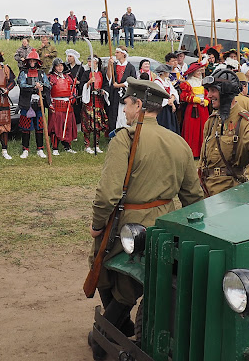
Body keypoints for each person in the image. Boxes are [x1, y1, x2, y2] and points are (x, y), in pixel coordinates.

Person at [88, 77, 203, 360]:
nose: (125, 110)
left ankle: (104, 336)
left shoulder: (126, 138)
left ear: (139, 104)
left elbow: (107, 195)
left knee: (106, 273)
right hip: (165, 226)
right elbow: (193, 198)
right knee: (126, 280)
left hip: (126, 224)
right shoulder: (179, 143)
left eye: (127, 104)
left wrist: (97, 224)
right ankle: (120, 324)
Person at [17, 51, 50, 159]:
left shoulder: (41, 73)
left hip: (39, 104)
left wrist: (41, 86)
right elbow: (21, 84)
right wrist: (33, 87)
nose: (32, 62)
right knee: (25, 128)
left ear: (37, 62)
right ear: (27, 62)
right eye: (30, 60)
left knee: (40, 127)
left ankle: (40, 149)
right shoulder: (23, 73)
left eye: (34, 60)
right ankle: (25, 149)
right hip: (27, 104)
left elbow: (47, 84)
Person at [47, 58, 77, 155]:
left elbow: (74, 88)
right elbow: (47, 92)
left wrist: (74, 97)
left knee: (68, 126)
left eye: (61, 65)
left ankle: (67, 147)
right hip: (56, 104)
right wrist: (49, 104)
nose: (60, 67)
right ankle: (55, 148)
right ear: (54, 67)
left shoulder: (68, 77)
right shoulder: (51, 78)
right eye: (58, 66)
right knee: (56, 127)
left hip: (68, 104)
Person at [179, 62, 209, 158]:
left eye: (200, 71)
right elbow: (183, 96)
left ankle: (203, 151)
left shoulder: (202, 82)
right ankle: (193, 152)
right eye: (198, 71)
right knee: (193, 129)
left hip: (203, 109)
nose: (200, 73)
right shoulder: (187, 83)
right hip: (193, 109)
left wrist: (206, 101)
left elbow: (207, 94)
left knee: (204, 128)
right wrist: (195, 99)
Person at [80, 56, 108, 153]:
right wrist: (88, 83)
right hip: (89, 100)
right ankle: (87, 145)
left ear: (96, 62)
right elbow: (81, 86)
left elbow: (106, 84)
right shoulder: (86, 73)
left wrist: (103, 91)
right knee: (87, 124)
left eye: (90, 61)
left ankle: (96, 145)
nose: (89, 63)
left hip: (98, 100)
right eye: (88, 61)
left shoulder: (102, 73)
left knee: (98, 124)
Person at [106, 47, 136, 132]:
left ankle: (126, 131)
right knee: (114, 112)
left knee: (124, 113)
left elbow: (132, 80)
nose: (115, 54)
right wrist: (109, 65)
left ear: (123, 54)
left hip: (126, 93)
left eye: (117, 52)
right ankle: (114, 132)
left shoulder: (130, 67)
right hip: (115, 94)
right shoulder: (114, 65)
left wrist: (120, 85)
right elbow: (109, 77)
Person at [154, 64, 179, 133]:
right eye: (167, 72)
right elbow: (161, 94)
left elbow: (173, 91)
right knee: (165, 124)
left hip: (169, 106)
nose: (168, 73)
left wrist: (172, 99)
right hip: (163, 107)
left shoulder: (167, 81)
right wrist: (171, 103)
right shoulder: (157, 82)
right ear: (163, 73)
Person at [66, 49, 84, 130]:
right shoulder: (66, 67)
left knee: (76, 109)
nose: (69, 58)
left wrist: (78, 82)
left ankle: (77, 128)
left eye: (70, 56)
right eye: (68, 56)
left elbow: (83, 80)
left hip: (76, 91)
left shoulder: (80, 68)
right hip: (67, 91)